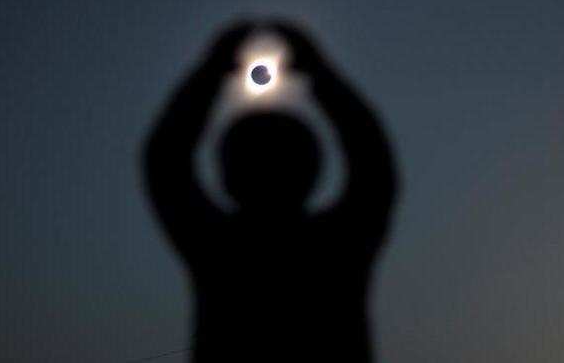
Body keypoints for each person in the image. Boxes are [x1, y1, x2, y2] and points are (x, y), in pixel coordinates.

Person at [143, 21, 399, 362]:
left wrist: (211, 72)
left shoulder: (218, 247)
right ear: (312, 168)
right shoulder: (340, 243)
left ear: (227, 174)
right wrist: (320, 73)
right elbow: (372, 159)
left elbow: (166, 160)